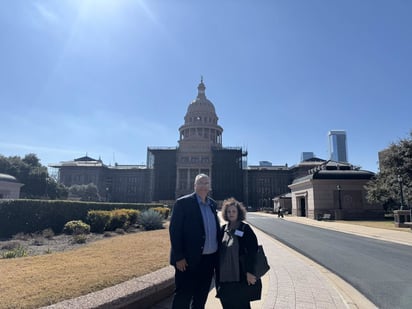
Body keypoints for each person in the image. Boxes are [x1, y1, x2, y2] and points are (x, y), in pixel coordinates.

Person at [169, 173, 220, 309]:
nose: (203, 186)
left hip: (209, 261)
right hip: (187, 261)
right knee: (183, 296)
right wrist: (179, 256)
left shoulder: (212, 205)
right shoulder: (183, 203)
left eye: (206, 183)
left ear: (210, 186)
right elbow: (175, 231)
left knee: (201, 297)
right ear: (194, 186)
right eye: (200, 183)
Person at [216, 198, 262, 309]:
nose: (231, 214)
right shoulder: (223, 229)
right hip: (224, 279)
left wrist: (250, 272)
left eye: (233, 211)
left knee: (241, 305)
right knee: (227, 305)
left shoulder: (245, 229)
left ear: (238, 213)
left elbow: (253, 251)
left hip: (240, 277)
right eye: (228, 211)